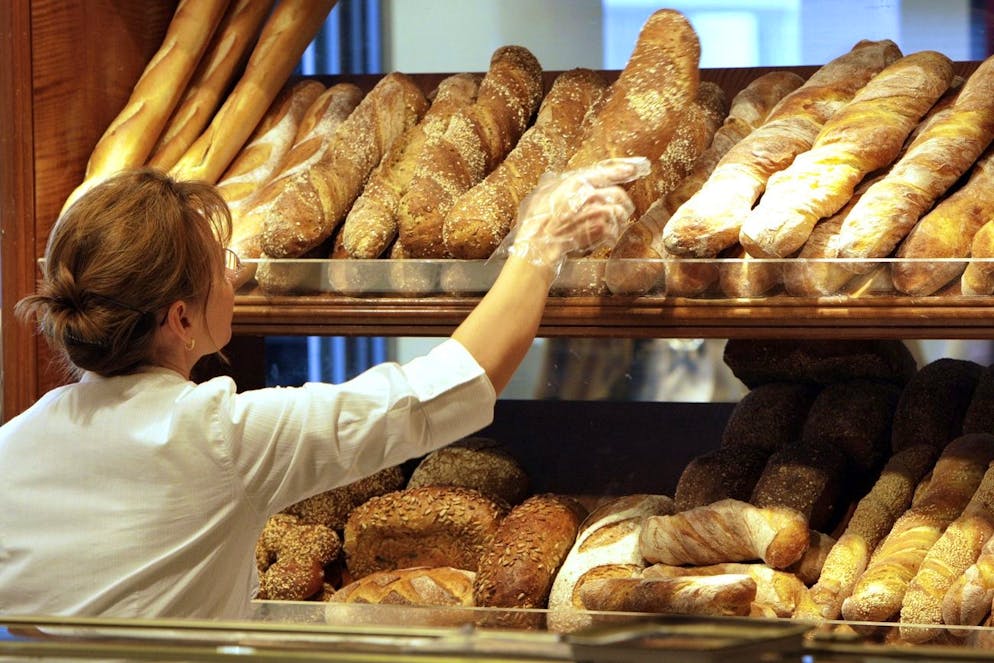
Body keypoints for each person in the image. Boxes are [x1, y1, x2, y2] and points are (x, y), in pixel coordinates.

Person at [0, 157, 645, 619]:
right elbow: (446, 388)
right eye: (222, 265)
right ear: (182, 320)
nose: (240, 271)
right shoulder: (220, 437)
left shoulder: (14, 446)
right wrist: (544, 239)